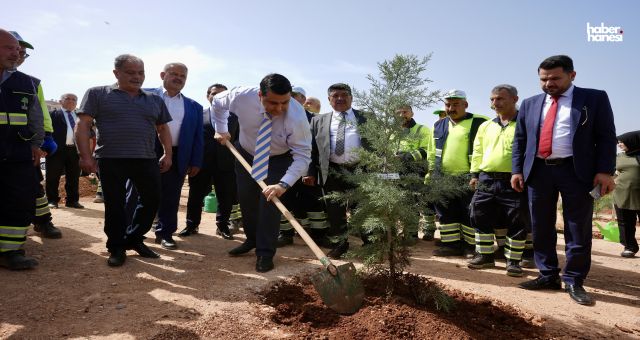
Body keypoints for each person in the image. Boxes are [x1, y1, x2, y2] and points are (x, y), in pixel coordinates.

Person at [512, 55, 617, 305]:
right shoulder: (529, 104)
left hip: (576, 171)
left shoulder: (594, 98)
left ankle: (573, 279)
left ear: (572, 75)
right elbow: (520, 140)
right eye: (543, 79)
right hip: (538, 172)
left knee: (576, 227)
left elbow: (606, 136)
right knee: (540, 226)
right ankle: (547, 274)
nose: (549, 84)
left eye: (555, 78)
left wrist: (605, 170)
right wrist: (517, 170)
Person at [76, 54, 173, 267]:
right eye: (130, 72)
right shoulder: (97, 94)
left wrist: (168, 153)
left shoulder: (154, 99)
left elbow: (163, 128)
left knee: (152, 200)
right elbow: (83, 125)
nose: (137, 77)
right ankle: (116, 246)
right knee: (115, 205)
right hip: (111, 159)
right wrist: (85, 156)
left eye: (141, 73)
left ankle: (134, 238)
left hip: (146, 159)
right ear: (116, 73)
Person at [212, 73, 311, 273]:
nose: (279, 109)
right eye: (273, 103)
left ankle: (265, 253)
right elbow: (216, 102)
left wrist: (283, 184)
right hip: (246, 153)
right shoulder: (241, 96)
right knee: (246, 200)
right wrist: (221, 128)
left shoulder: (297, 117)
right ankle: (252, 240)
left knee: (270, 203)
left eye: (284, 102)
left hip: (278, 158)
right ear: (260, 95)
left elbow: (302, 156)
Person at [467, 85, 529, 276]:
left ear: (515, 99)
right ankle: (485, 257)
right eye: (493, 99)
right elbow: (477, 151)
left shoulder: (525, 123)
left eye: (500, 99)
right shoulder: (485, 126)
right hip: (486, 178)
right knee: (478, 215)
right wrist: (474, 174)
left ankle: (513, 262)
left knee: (517, 220)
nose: (495, 103)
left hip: (513, 180)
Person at [142, 62, 203, 250]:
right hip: (145, 152)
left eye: (182, 76)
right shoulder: (144, 95)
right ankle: (135, 231)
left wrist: (195, 161)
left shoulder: (194, 106)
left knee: (171, 196)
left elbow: (197, 137)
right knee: (140, 193)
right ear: (163, 75)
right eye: (174, 74)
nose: (178, 78)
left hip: (179, 155)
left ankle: (165, 233)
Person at [10, 31, 62, 239]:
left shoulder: (31, 82)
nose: (20, 55)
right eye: (17, 50)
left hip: (23, 143)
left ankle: (42, 221)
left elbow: (40, 113)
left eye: (23, 53)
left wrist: (46, 137)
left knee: (32, 182)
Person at [308, 83, 368, 259]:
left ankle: (369, 244)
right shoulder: (318, 120)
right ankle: (340, 245)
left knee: (362, 210)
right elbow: (312, 150)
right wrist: (310, 172)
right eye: (335, 96)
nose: (340, 98)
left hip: (360, 170)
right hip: (332, 171)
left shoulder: (366, 118)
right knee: (335, 211)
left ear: (351, 98)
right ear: (329, 99)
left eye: (344, 95)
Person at [0, 28, 44, 269]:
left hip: (18, 154)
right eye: (9, 48)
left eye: (18, 50)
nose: (16, 54)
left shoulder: (26, 81)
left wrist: (36, 145)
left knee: (17, 201)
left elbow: (35, 117)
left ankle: (11, 251)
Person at [429, 89, 487, 257]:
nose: (451, 108)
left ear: (465, 105)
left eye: (455, 104)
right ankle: (450, 245)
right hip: (443, 177)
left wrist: (477, 174)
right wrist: (432, 172)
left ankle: (470, 247)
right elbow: (433, 151)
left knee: (469, 213)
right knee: (445, 213)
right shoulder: (439, 124)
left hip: (468, 177)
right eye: (448, 104)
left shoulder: (480, 122)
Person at [180, 83, 237, 240]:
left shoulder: (235, 118)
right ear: (208, 96)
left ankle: (223, 226)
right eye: (214, 93)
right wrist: (190, 162)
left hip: (226, 164)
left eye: (222, 94)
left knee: (225, 197)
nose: (217, 97)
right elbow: (191, 139)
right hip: (201, 163)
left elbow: (239, 141)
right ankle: (191, 225)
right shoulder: (199, 114)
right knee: (195, 196)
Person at [277, 86, 329, 247]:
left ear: (302, 99)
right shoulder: (278, 116)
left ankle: (319, 236)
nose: (291, 99)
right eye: (289, 95)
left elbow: (316, 148)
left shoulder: (314, 119)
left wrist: (310, 171)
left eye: (295, 96)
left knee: (313, 202)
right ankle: (285, 234)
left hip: (307, 169)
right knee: (285, 200)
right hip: (285, 169)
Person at [395, 104, 436, 241]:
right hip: (395, 172)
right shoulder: (392, 132)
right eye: (399, 112)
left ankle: (411, 234)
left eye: (405, 112)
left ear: (412, 113)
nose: (402, 115)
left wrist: (406, 156)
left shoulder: (423, 130)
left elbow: (426, 149)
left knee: (412, 202)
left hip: (415, 171)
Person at [46, 93, 84, 209]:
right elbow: (46, 131)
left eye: (74, 99)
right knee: (53, 176)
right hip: (56, 151)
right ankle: (52, 200)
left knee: (73, 177)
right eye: (68, 98)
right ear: (60, 101)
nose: (71, 101)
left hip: (74, 151)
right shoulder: (52, 114)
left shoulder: (80, 116)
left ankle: (72, 201)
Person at [612, 130, 640, 258]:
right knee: (625, 223)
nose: (619, 144)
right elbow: (613, 173)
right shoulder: (619, 157)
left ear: (632, 142)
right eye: (619, 142)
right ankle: (630, 247)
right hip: (622, 195)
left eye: (622, 141)